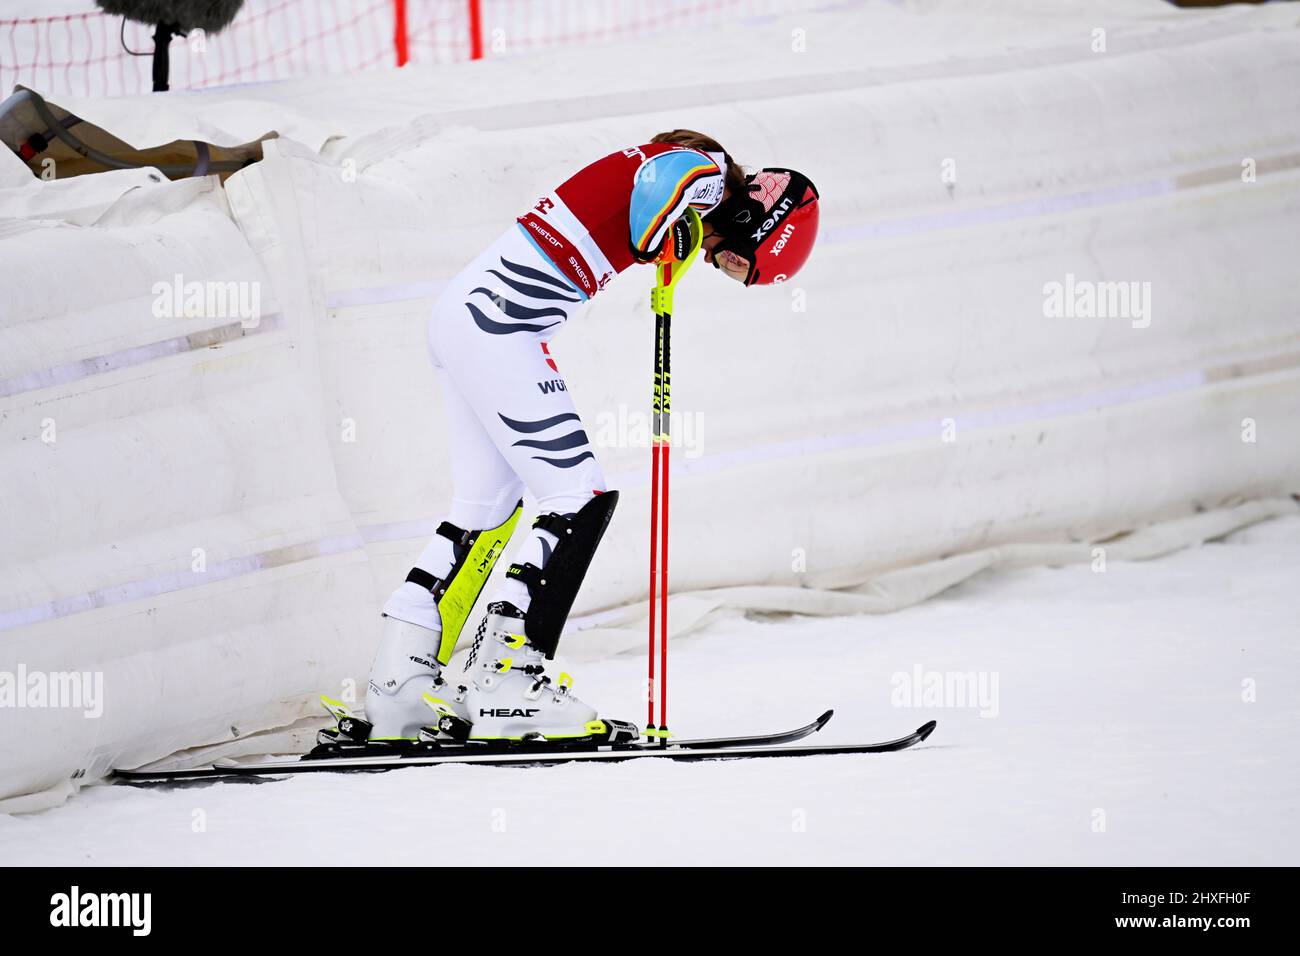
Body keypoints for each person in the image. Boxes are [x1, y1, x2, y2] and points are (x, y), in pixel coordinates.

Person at [360, 130, 820, 745]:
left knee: (485, 508)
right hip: (501, 326)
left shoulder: (691, 179)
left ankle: (400, 684)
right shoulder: (707, 172)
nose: (716, 260)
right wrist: (668, 235)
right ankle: (505, 676)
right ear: (755, 215)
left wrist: (666, 241)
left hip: (466, 318)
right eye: (736, 257)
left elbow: (647, 205)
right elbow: (660, 190)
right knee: (579, 496)